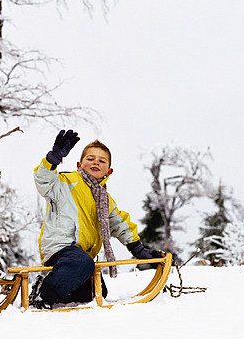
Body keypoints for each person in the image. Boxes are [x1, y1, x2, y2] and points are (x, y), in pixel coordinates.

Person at [32, 129, 163, 308]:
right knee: (82, 263)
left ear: (109, 171)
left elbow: (119, 223)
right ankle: (43, 294)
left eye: (102, 161)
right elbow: (43, 181)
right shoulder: (65, 182)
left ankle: (57, 293)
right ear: (79, 164)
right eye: (90, 159)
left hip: (82, 257)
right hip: (60, 247)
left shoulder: (104, 199)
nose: (96, 162)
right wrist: (53, 158)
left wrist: (138, 249)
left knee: (96, 291)